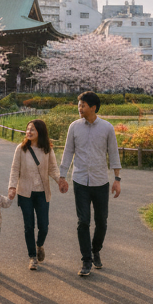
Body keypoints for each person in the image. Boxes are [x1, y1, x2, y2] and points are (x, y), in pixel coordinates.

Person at [59, 91, 121, 277]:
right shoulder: (74, 127)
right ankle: (86, 260)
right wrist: (62, 176)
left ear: (93, 108)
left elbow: (114, 153)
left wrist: (117, 179)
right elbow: (68, 152)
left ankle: (95, 250)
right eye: (79, 105)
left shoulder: (107, 128)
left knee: (101, 221)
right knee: (83, 221)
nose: (80, 108)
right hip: (80, 181)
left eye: (83, 105)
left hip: (101, 181)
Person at [7, 119, 68, 271]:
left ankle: (39, 245)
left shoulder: (47, 149)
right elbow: (15, 169)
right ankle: (32, 256)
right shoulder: (21, 149)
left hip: (42, 193)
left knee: (44, 226)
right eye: (28, 129)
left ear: (40, 131)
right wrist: (12, 187)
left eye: (32, 129)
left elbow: (53, 168)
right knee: (28, 226)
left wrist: (60, 181)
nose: (29, 132)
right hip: (25, 193)